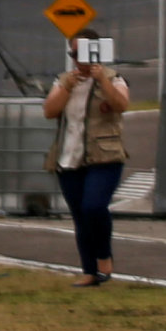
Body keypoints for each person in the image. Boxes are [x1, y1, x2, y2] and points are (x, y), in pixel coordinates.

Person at [43, 45, 133, 286]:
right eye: (73, 55)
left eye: (81, 54)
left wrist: (101, 79)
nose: (77, 60)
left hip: (105, 156)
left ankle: (104, 257)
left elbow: (121, 105)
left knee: (94, 207)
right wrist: (68, 86)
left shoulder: (114, 78)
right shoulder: (63, 80)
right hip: (69, 157)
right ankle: (89, 271)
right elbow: (50, 110)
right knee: (80, 216)